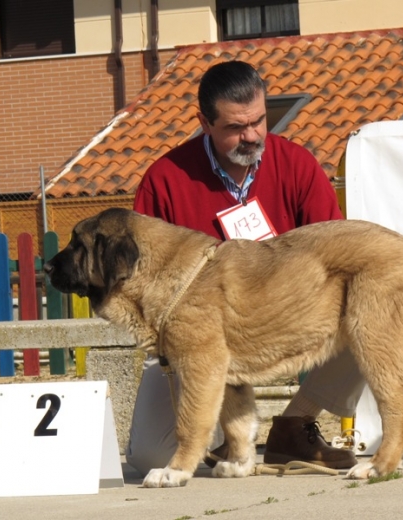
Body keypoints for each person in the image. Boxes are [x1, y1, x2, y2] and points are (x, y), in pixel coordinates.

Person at [126, 60, 366, 477]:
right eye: (236, 127)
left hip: (288, 319)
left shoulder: (297, 165)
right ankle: (226, 439)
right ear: (204, 122)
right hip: (195, 341)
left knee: (370, 315)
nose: (252, 135)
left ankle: (295, 424)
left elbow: (337, 252)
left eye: (259, 120)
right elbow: (144, 282)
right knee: (149, 456)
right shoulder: (163, 180)